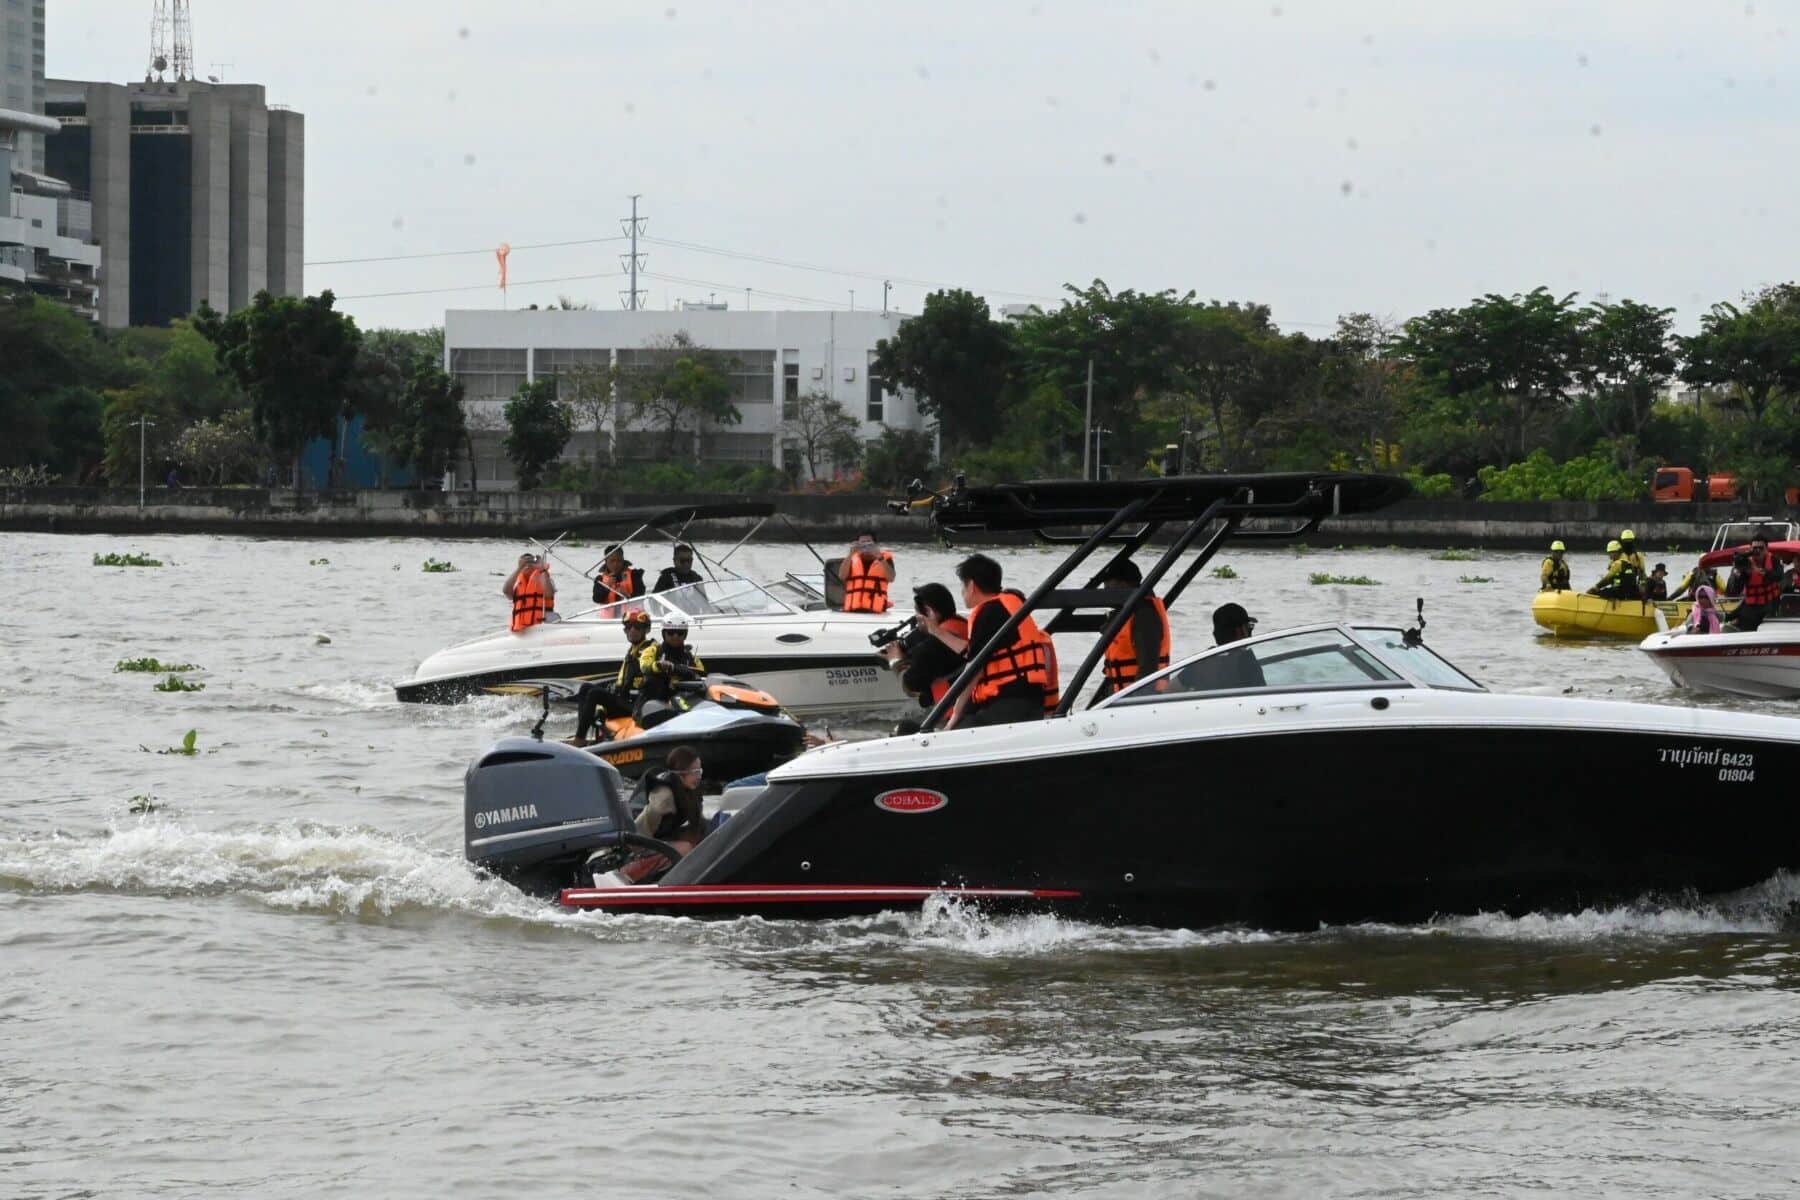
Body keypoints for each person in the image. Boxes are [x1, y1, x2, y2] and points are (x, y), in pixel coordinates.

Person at [935, 553, 1058, 727]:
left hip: (1008, 704)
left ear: (971, 586)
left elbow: (973, 669)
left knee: (955, 730)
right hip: (1032, 702)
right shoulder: (1009, 606)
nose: (962, 592)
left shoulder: (989, 612)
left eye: (962, 585)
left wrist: (955, 715)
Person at [569, 610, 654, 745]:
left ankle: (579, 740)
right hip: (624, 699)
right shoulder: (633, 650)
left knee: (595, 694)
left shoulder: (649, 650)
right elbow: (622, 682)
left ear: (647, 630)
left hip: (635, 705)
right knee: (584, 687)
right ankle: (581, 734)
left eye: (637, 627)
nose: (632, 630)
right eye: (628, 627)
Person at [882, 583, 968, 709]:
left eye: (917, 613)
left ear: (929, 612)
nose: (916, 619)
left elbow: (911, 686)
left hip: (950, 714)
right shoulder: (965, 626)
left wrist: (896, 661)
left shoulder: (932, 648)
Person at [1096, 559, 1171, 699]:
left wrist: (1134, 702)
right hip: (1121, 694)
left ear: (1124, 584)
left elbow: (1148, 668)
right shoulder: (1127, 613)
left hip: (1138, 699)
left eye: (1108, 583)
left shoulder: (1144, 615)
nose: (1104, 589)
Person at [635, 745, 710, 850]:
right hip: (647, 846)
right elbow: (639, 833)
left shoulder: (692, 790)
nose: (699, 777)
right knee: (685, 848)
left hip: (669, 837)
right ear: (680, 774)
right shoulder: (664, 798)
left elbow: (698, 824)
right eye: (695, 772)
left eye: (700, 771)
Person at [636, 617, 706, 710]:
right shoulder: (652, 650)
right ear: (664, 634)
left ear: (685, 635)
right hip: (651, 704)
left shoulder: (691, 657)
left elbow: (702, 674)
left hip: (683, 704)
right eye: (671, 632)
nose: (675, 636)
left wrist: (679, 669)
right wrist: (658, 666)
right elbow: (644, 667)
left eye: (680, 633)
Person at [1727, 532, 1782, 631]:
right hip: (1752, 607)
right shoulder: (1746, 564)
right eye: (1755, 548)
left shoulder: (1773, 560)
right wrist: (1737, 575)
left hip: (1770, 604)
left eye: (1761, 548)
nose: (1757, 551)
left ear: (1766, 549)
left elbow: (1779, 576)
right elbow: (1734, 590)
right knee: (1742, 620)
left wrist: (1762, 571)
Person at [837, 529, 896, 613]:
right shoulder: (852, 559)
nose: (866, 546)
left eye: (869, 543)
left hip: (876, 611)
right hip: (852, 611)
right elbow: (842, 576)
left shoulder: (884, 558)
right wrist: (850, 554)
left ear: (875, 545)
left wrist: (879, 557)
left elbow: (891, 578)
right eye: (862, 543)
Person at [503, 552, 556, 632]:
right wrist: (519, 568)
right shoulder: (517, 582)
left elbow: (549, 593)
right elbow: (507, 592)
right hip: (521, 631)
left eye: (530, 563)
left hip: (543, 627)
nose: (527, 566)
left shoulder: (544, 577)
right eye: (524, 564)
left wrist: (542, 569)